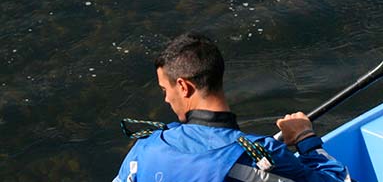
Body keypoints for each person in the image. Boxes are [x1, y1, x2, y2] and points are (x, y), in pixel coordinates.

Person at [113, 32, 350, 182]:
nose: (166, 99)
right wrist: (305, 137)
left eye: (165, 90)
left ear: (184, 87)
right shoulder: (258, 155)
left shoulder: (145, 147)